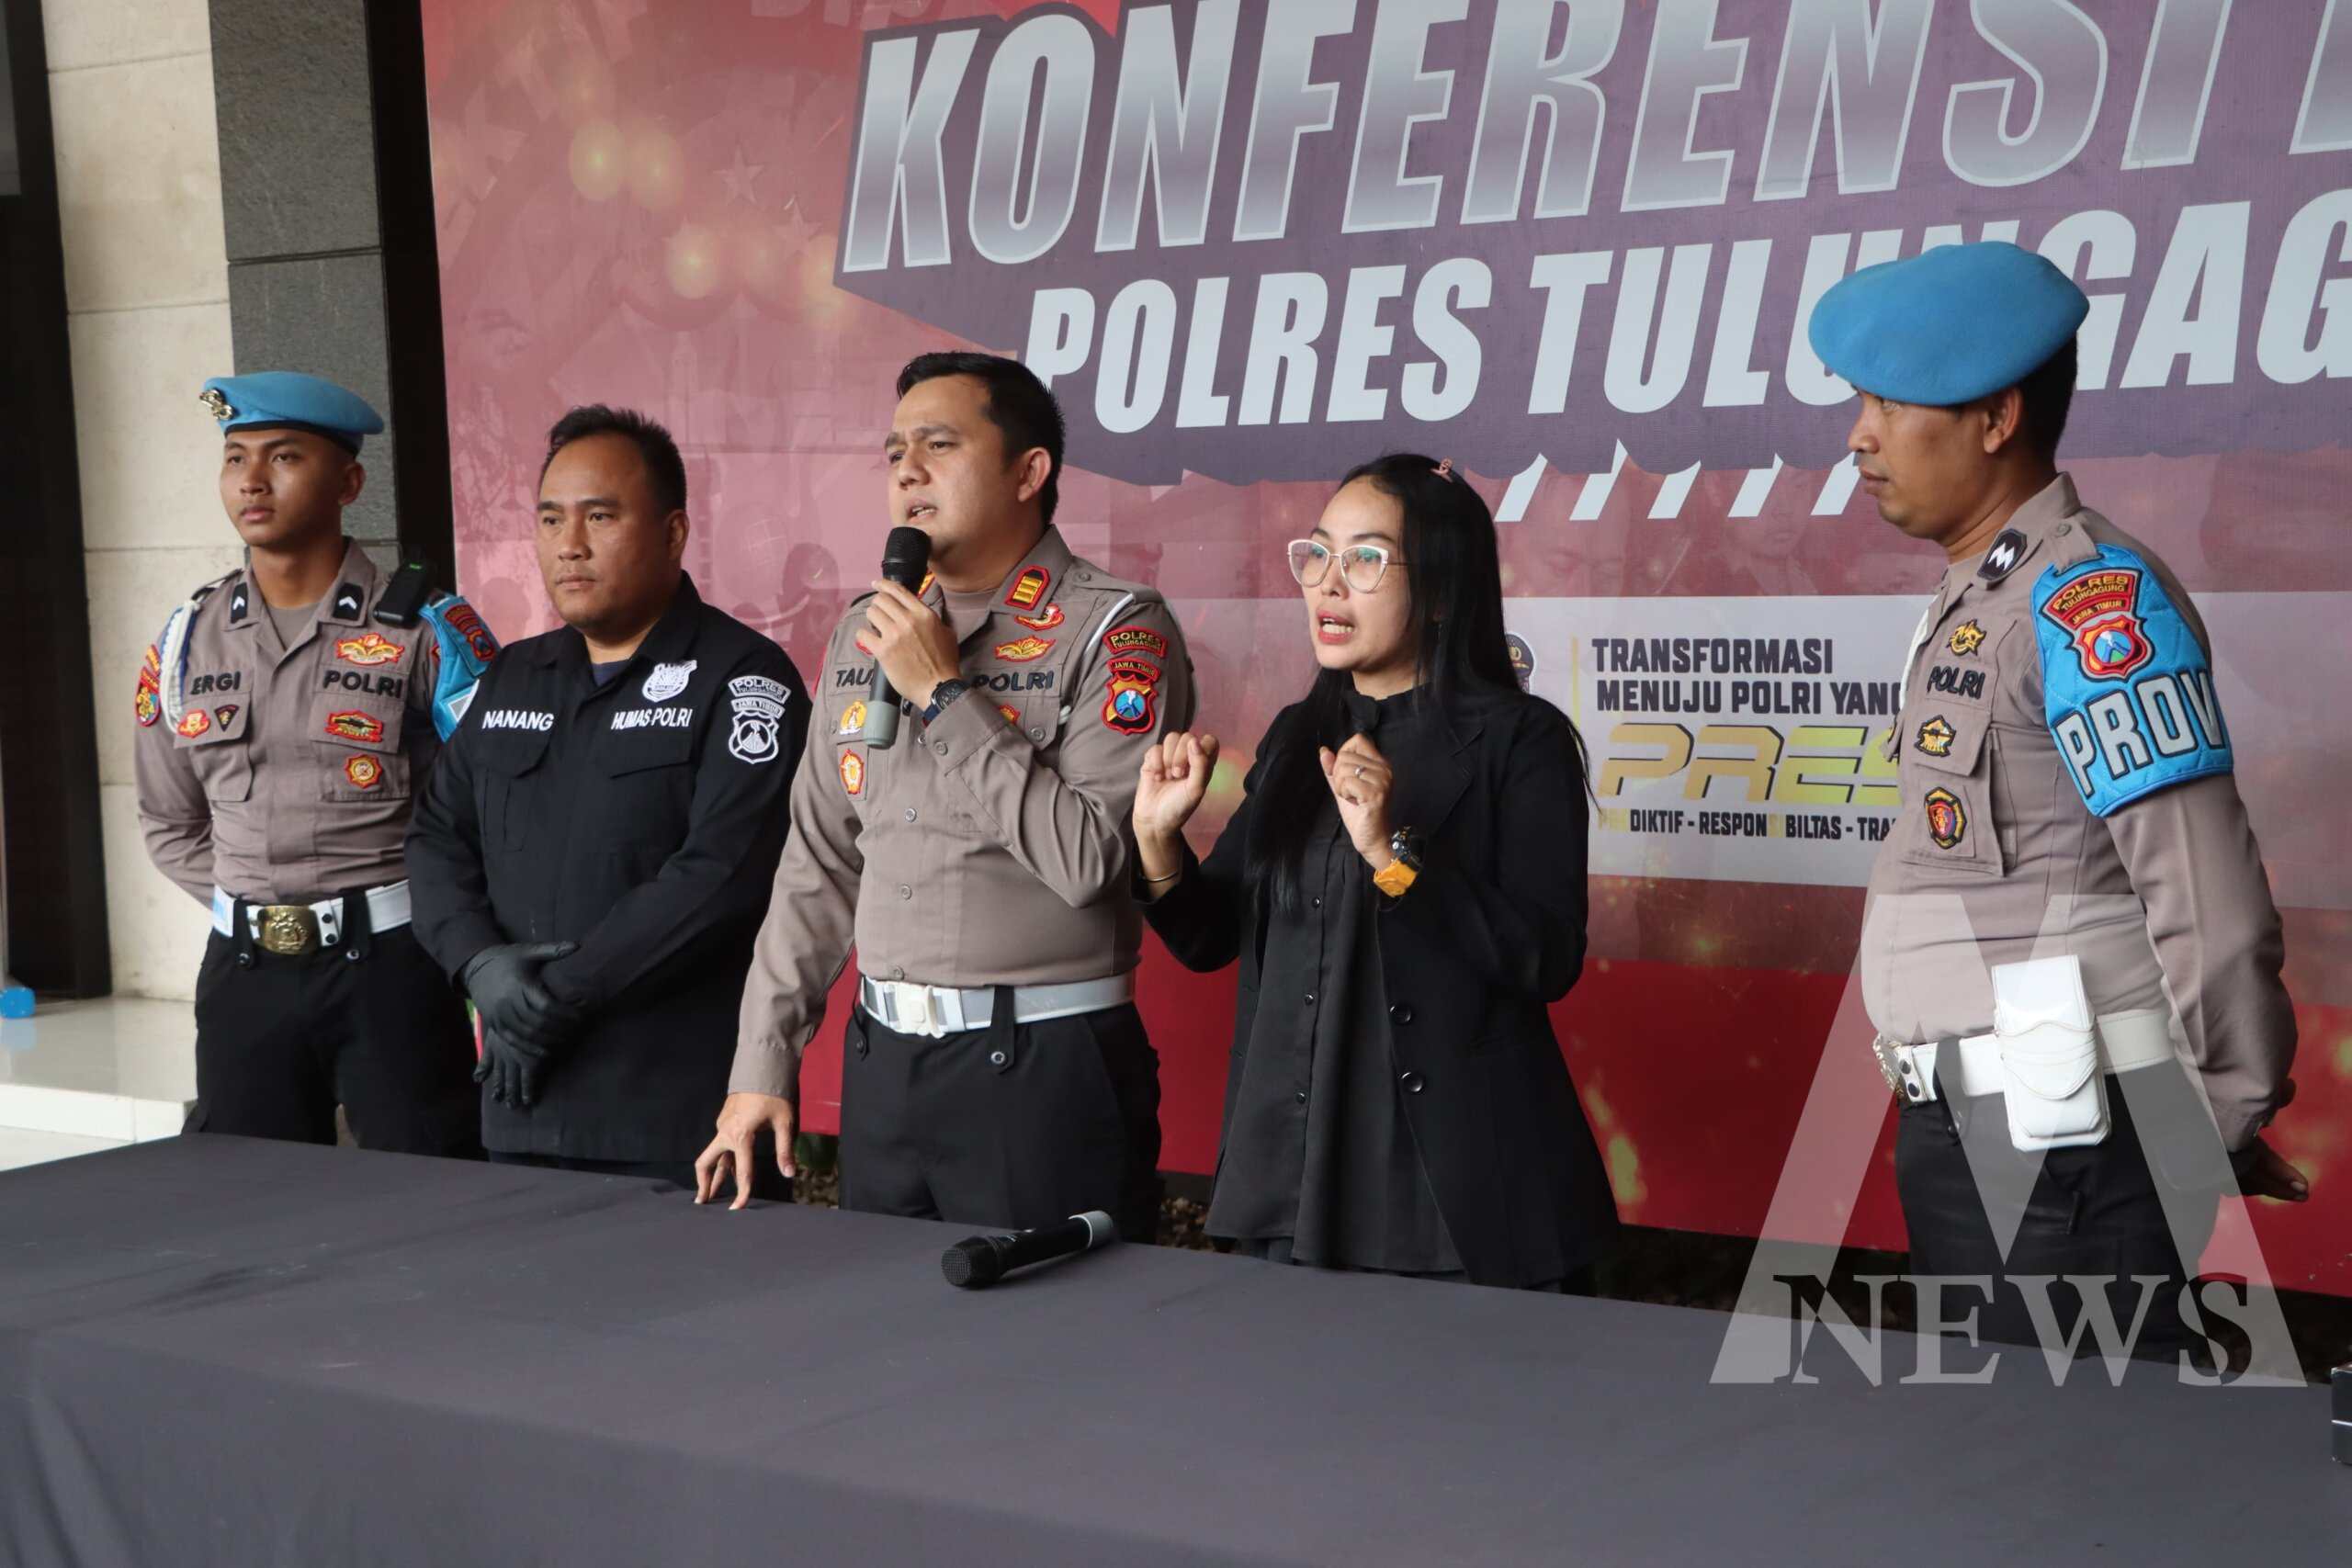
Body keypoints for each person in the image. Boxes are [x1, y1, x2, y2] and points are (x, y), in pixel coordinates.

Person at [1810, 242, 2307, 1356]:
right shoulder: (1984, 590)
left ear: (1996, 418)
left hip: (2067, 1150)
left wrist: (2215, 1119)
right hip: (1985, 1130)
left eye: (1889, 404)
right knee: (1997, 1452)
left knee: (2078, 1453)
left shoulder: (2090, 600)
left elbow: (2207, 896)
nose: (1859, 436)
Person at [699, 352, 1193, 1238]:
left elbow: (1092, 861)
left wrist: (942, 692)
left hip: (1042, 1066)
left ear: (1028, 472)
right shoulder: (866, 627)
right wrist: (760, 1064)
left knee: (1054, 1326)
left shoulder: (1118, 627)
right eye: (895, 452)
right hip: (883, 1063)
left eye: (939, 445)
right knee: (885, 1320)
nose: (907, 472)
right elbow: (819, 861)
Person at [1131, 454, 1618, 1289]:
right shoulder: (1297, 736)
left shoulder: (1520, 740)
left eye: (1365, 559)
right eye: (1318, 553)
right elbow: (1210, 937)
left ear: (1441, 588)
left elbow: (1546, 958)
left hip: (1453, 1194)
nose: (1329, 583)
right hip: (1294, 1174)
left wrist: (1394, 857)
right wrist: (1156, 842)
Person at [407, 406, 806, 1192]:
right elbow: (436, 839)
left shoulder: (743, 676)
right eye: (551, 518)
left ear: (674, 531)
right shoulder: (515, 675)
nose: (570, 543)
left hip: (680, 1123)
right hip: (521, 1105)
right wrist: (480, 967)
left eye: (600, 516)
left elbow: (719, 877)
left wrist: (544, 1002)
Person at [134, 372, 494, 1153]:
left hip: (396, 965)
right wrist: (262, 901)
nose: (252, 481)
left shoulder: (428, 628)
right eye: (236, 459)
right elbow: (168, 820)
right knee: (250, 1197)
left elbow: (497, 810)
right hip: (243, 973)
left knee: (428, 1190)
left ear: (349, 483)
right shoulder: (188, 638)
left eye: (285, 456)